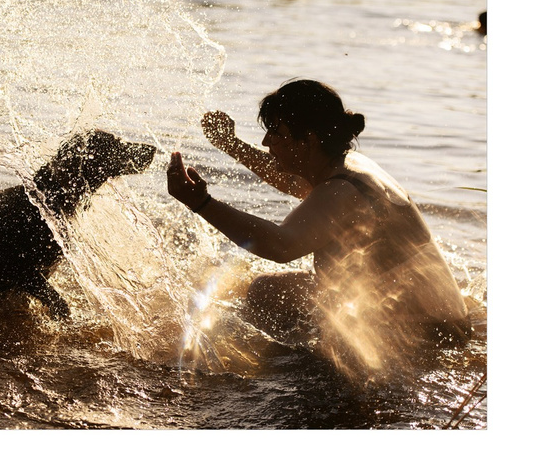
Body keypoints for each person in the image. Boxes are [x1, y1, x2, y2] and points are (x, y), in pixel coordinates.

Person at [169, 80, 476, 377]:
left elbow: (281, 246)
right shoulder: (348, 167)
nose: (266, 143)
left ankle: (284, 368)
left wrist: (201, 203)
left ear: (309, 140)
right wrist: (230, 144)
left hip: (429, 336)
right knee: (271, 290)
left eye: (275, 134)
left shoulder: (342, 190)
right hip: (444, 322)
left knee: (268, 295)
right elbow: (290, 179)